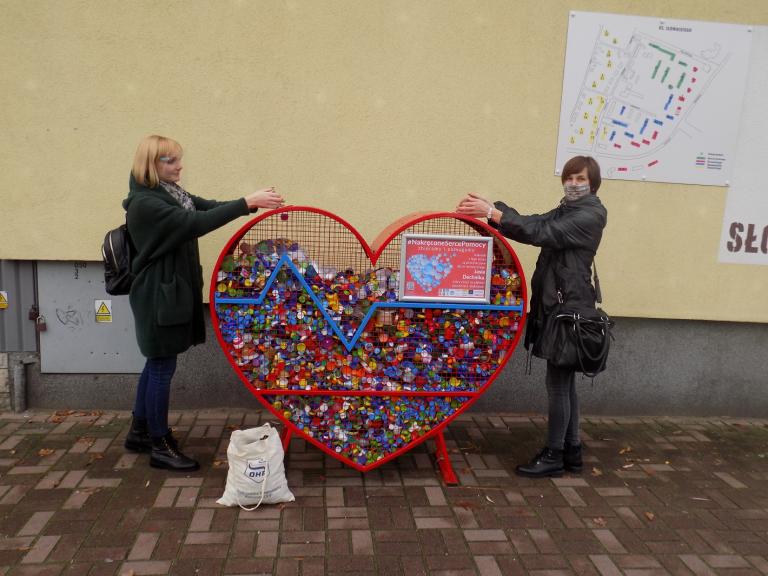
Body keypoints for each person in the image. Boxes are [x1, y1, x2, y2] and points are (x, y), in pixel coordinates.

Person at [123, 135, 285, 471]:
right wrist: (245, 201)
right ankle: (159, 443)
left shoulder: (169, 194)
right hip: (157, 295)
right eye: (170, 161)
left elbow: (204, 207)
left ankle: (139, 432)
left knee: (156, 362)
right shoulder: (147, 204)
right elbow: (193, 223)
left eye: (178, 159)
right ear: (152, 165)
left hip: (168, 291)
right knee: (161, 366)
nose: (179, 165)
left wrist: (250, 204)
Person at [456, 156, 607, 478]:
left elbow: (543, 232)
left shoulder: (591, 214)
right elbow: (533, 222)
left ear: (592, 183)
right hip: (558, 304)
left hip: (570, 308)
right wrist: (493, 209)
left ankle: (554, 454)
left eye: (580, 178)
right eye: (569, 177)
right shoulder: (568, 209)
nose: (573, 183)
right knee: (565, 383)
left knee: (557, 384)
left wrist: (492, 214)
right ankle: (572, 452)